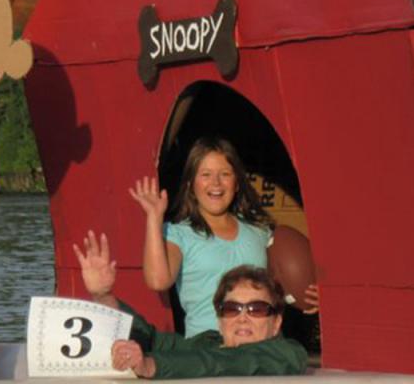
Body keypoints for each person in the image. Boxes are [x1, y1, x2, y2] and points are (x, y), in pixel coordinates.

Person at [131, 136, 318, 337]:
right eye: (206, 174)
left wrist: (310, 294)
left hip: (259, 348)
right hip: (209, 350)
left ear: (237, 183)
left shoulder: (260, 232)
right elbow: (158, 281)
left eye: (225, 174)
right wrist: (153, 218)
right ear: (190, 185)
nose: (216, 183)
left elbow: (287, 278)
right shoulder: (178, 233)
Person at [73, 231, 307, 378]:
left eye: (256, 309)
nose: (242, 317)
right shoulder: (210, 342)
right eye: (231, 309)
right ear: (220, 320)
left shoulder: (287, 354)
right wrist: (104, 297)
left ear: (276, 322)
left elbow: (222, 363)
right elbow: (154, 340)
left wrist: (150, 366)